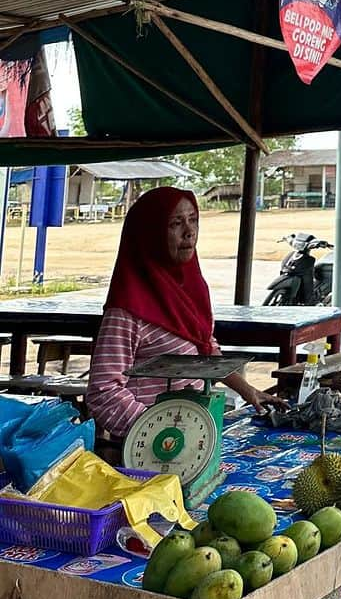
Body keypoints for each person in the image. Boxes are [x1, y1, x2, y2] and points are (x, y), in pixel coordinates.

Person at [86, 187, 278, 440]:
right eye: (176, 223)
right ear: (149, 235)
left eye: (193, 220)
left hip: (194, 434)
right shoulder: (126, 311)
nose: (189, 232)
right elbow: (104, 391)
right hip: (152, 445)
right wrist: (160, 432)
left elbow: (205, 348)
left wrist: (246, 390)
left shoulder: (192, 289)